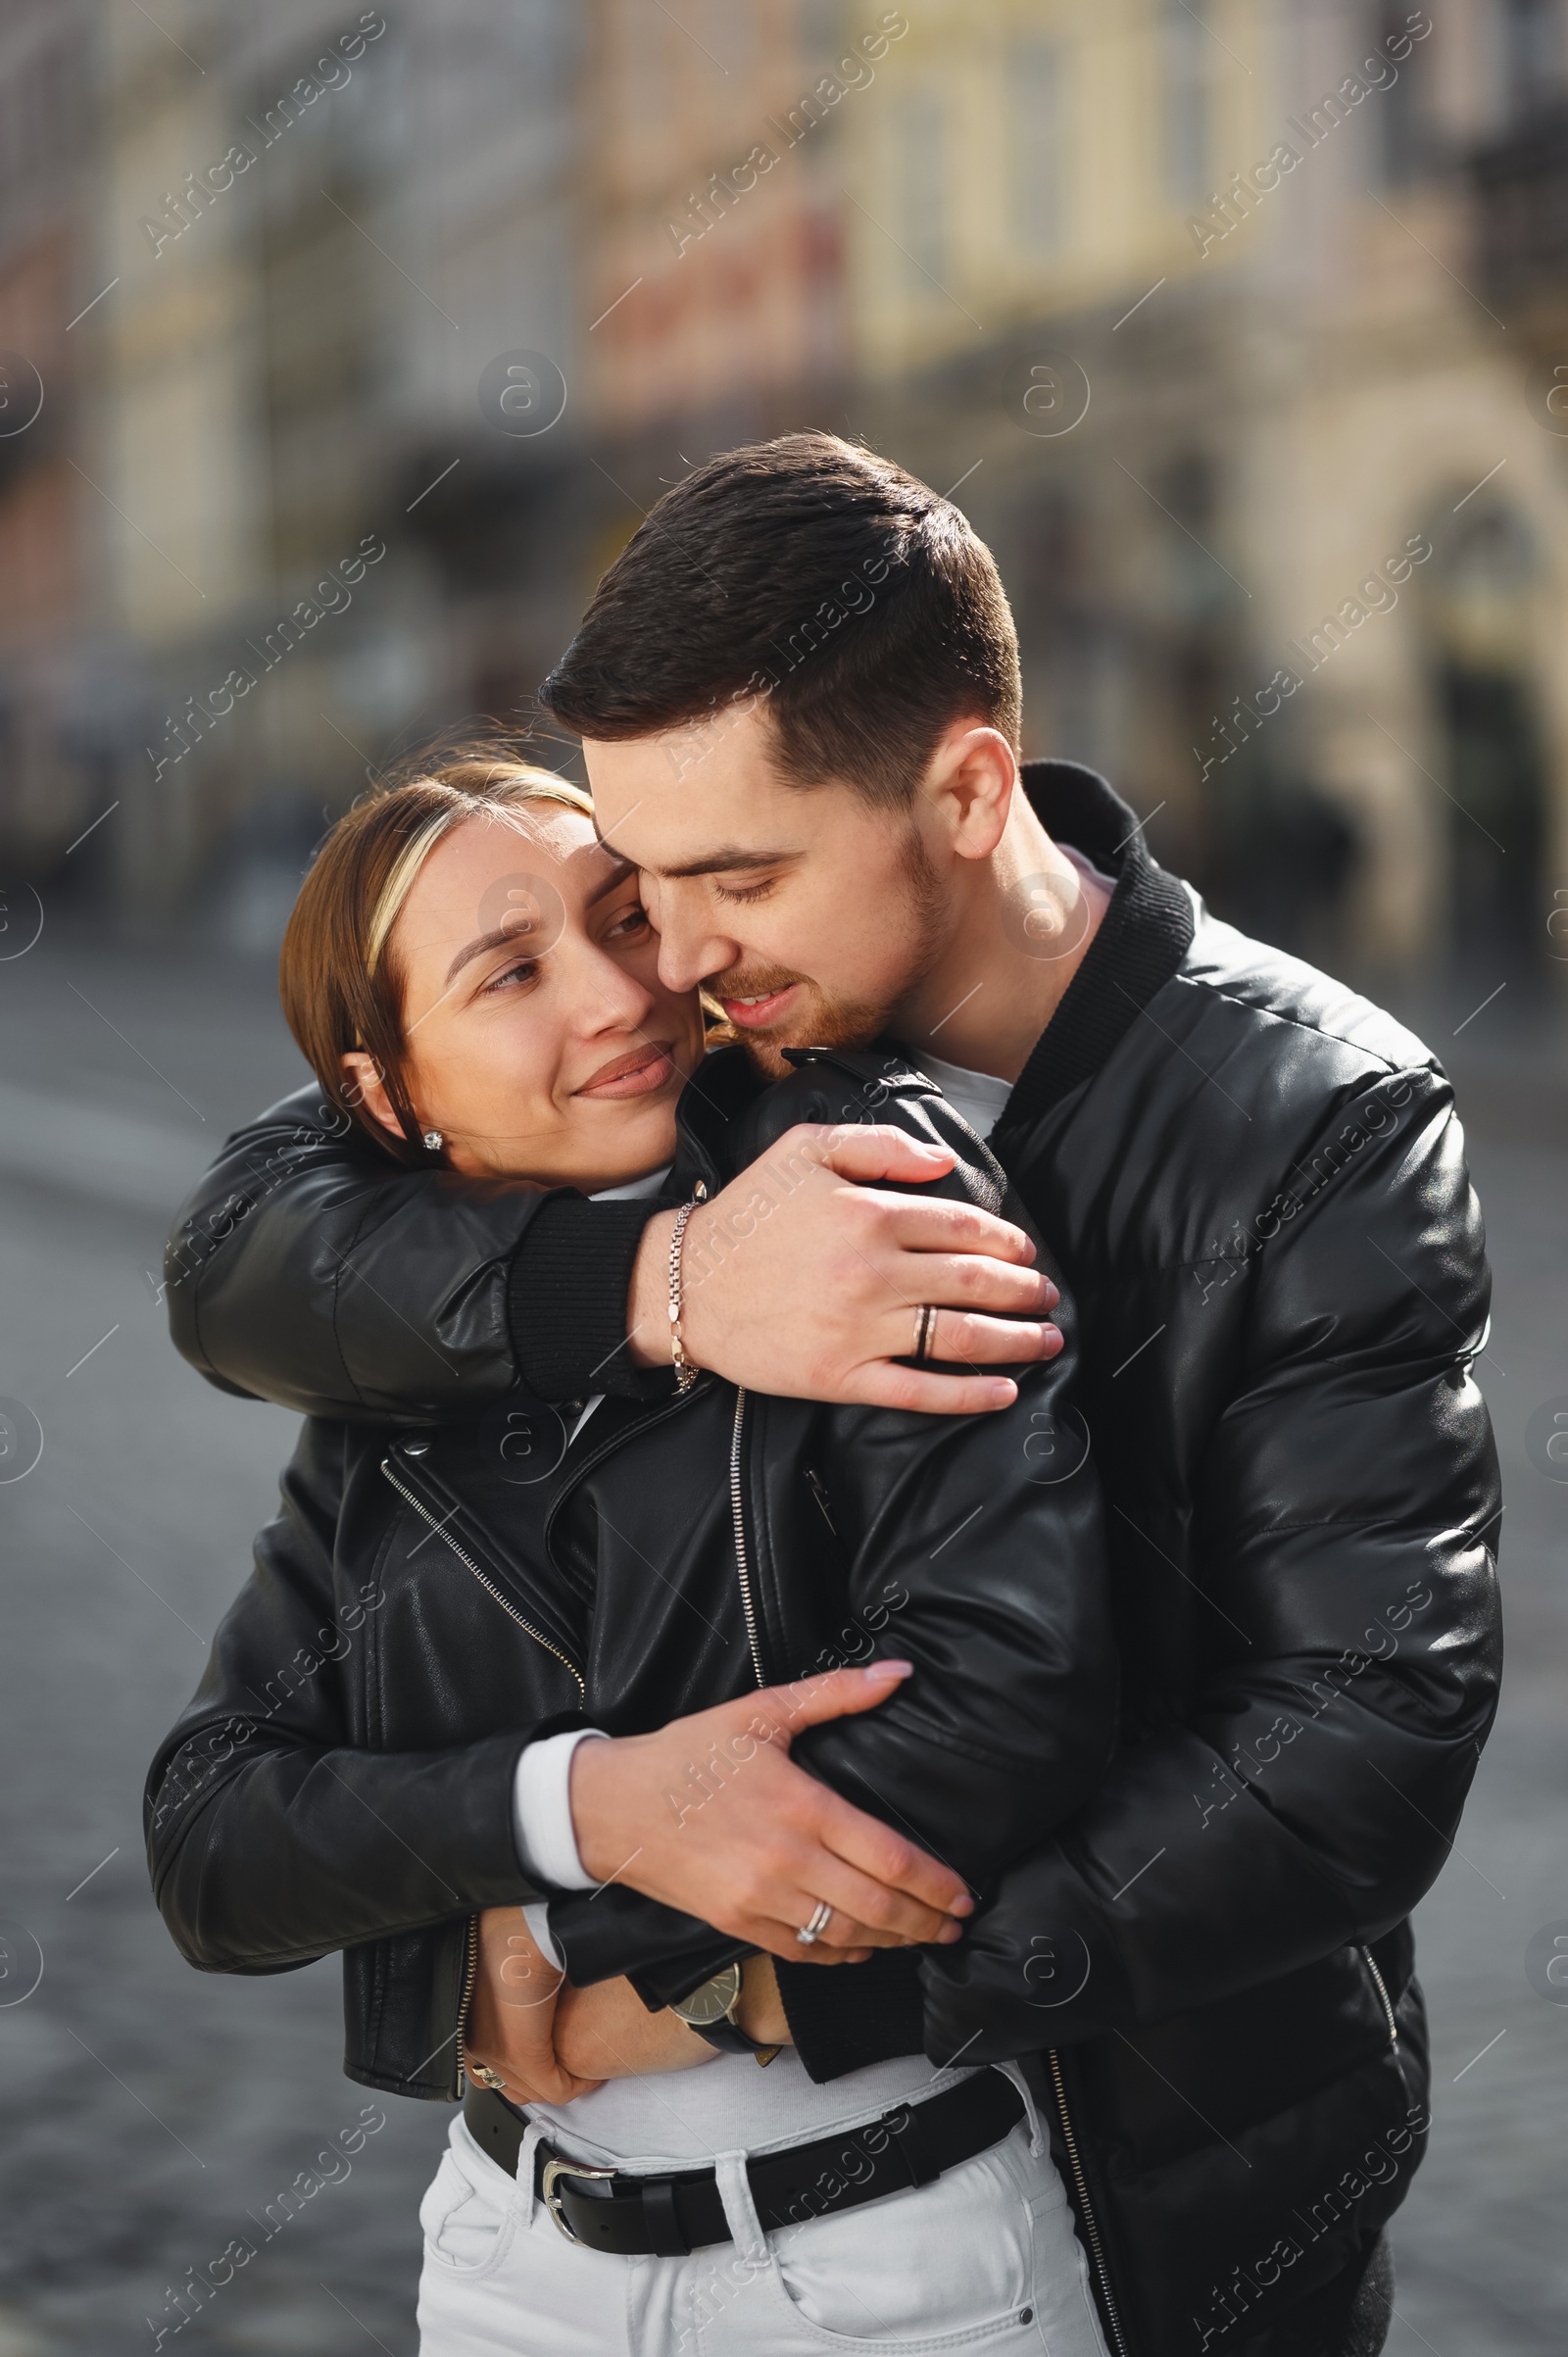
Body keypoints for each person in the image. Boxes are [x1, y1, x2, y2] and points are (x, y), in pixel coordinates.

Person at [163, 436, 1503, 2357]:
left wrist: (737, 1981)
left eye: (727, 879)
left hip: (1157, 2190)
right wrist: (665, 1276)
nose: (667, 960)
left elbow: (1352, 1746)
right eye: (635, 881)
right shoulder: (700, 1035)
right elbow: (247, 1244)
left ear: (961, 791)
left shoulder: (1313, 1119)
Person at [147, 758, 1118, 2357]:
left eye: (623, 917)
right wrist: (588, 1801)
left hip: (886, 2264)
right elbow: (211, 1839)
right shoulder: (380, 1395)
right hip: (511, 2258)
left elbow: (1016, 1711)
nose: (623, 992)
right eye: (512, 970)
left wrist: (586, 1953)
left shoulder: (864, 1192)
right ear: (389, 1095)